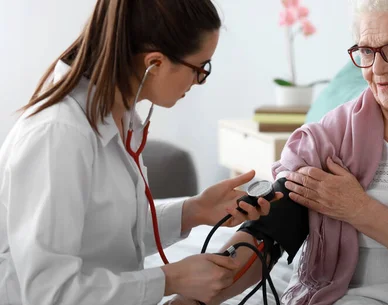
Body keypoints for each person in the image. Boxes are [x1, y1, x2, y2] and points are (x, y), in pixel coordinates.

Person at [169, 0, 388, 305]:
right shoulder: (328, 136)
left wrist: (357, 209)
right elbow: (270, 232)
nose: (377, 68)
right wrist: (196, 300)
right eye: (366, 51)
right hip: (343, 295)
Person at [0, 1, 283, 305]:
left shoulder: (116, 116)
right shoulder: (59, 136)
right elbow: (50, 294)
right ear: (155, 64)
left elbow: (108, 235)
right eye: (200, 68)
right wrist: (171, 279)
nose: (199, 81)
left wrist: (193, 211)